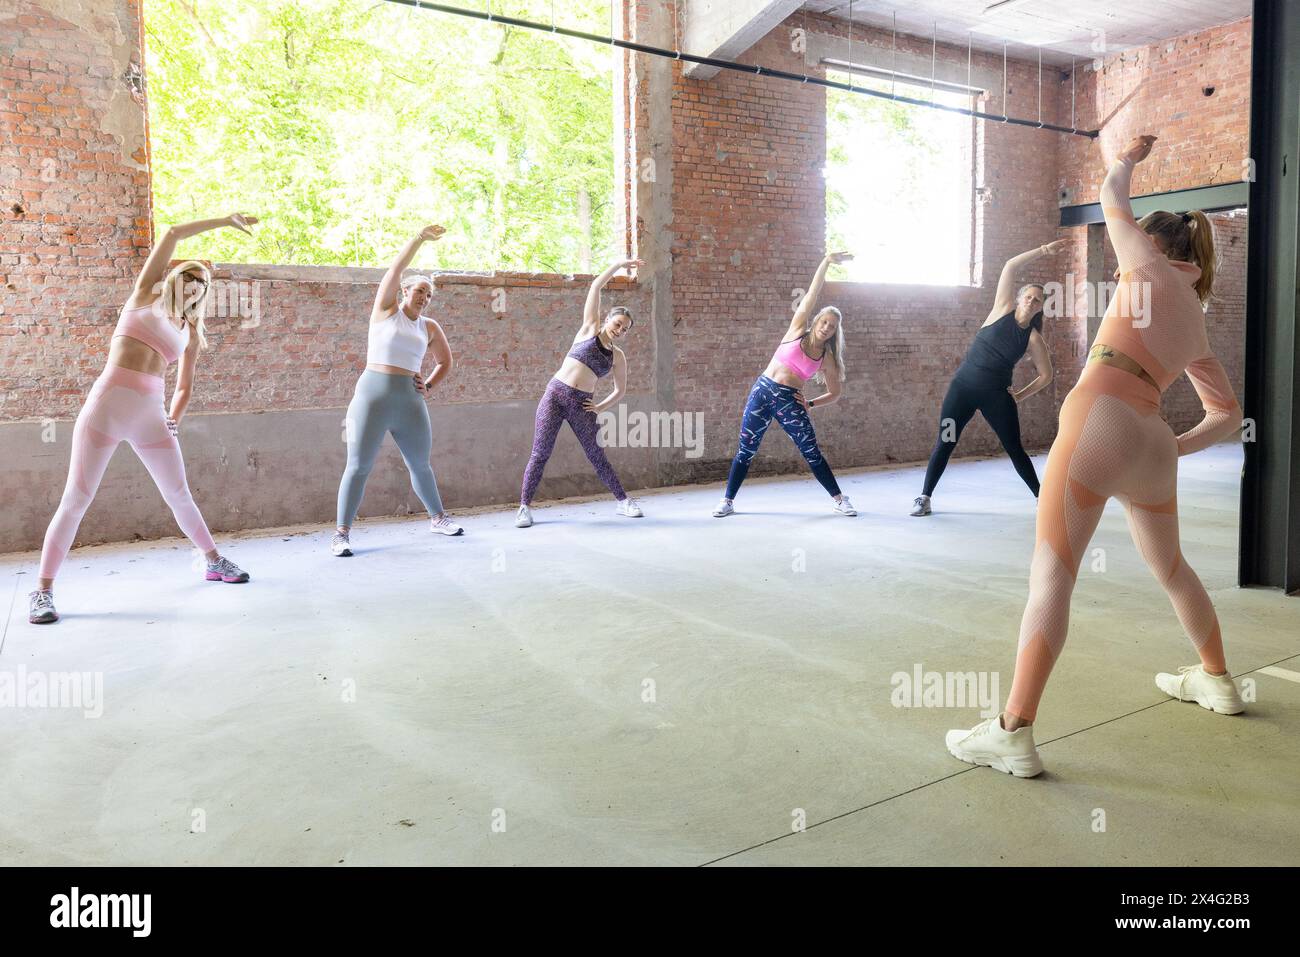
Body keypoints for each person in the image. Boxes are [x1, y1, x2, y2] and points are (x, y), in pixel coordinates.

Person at [946, 135, 1244, 778]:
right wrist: (1173, 448)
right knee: (1172, 569)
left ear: (1158, 244)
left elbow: (1111, 199)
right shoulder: (1194, 317)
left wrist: (1126, 161)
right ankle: (1218, 681)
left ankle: (1013, 732)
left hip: (1099, 420)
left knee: (1052, 576)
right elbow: (1228, 416)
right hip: (1150, 441)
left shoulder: (1148, 264)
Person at [31, 215, 257, 624]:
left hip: (150, 416)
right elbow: (171, 234)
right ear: (174, 278)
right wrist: (225, 221)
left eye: (203, 284)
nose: (197, 286)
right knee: (77, 499)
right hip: (106, 408)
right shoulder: (142, 297)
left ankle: (213, 560)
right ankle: (43, 591)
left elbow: (185, 386)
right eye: (191, 276)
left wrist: (173, 418)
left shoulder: (189, 331)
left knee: (179, 493)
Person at [333, 225, 460, 556]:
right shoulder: (386, 311)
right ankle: (342, 534)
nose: (424, 297)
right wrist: (419, 238)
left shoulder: (429, 327)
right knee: (358, 466)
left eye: (429, 295)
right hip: (372, 396)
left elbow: (446, 362)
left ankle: (438, 518)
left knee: (420, 464)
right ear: (404, 291)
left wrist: (428, 384)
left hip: (409, 400)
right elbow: (395, 269)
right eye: (419, 291)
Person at [910, 241, 1064, 517]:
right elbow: (1010, 266)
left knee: (1014, 448)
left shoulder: (1033, 338)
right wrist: (1042, 251)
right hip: (961, 391)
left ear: (1041, 308)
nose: (1031, 301)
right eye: (1028, 296)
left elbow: (1046, 376)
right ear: (1018, 299)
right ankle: (924, 497)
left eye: (1037, 300)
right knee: (945, 441)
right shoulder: (1001, 309)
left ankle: (1042, 498)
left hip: (996, 398)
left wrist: (1018, 395)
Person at [713, 251, 856, 518]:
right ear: (816, 321)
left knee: (810, 450)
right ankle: (728, 501)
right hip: (763, 390)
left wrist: (811, 403)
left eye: (832, 326)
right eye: (824, 321)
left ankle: (839, 499)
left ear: (835, 332)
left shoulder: (827, 358)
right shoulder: (797, 328)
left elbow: (835, 392)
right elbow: (812, 294)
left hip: (789, 398)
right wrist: (825, 262)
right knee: (747, 448)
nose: (826, 327)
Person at [516, 257, 643, 527]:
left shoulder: (617, 357)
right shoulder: (588, 330)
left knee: (596, 454)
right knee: (540, 453)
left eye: (624, 328)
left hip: (581, 403)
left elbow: (621, 390)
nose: (619, 330)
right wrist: (620, 264)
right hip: (555, 395)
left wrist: (599, 407)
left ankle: (623, 502)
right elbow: (596, 286)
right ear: (608, 319)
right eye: (617, 323)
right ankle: (524, 507)